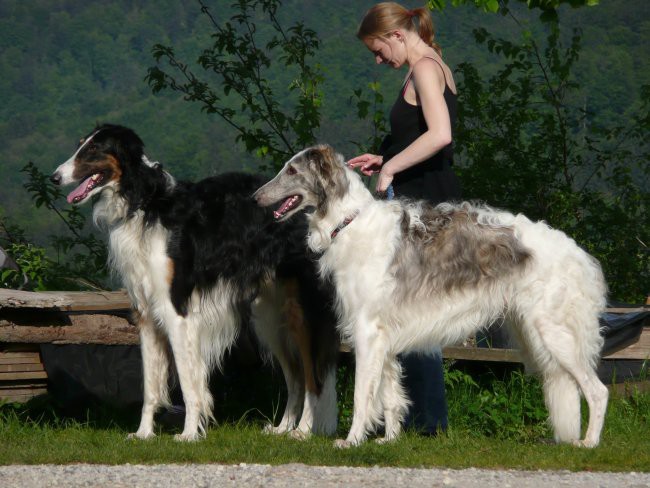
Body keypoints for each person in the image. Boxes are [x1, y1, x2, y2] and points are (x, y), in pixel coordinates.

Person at [347, 2, 461, 435]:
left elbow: (441, 134)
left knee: (417, 315)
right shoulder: (426, 67)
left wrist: (392, 169)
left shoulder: (426, 69)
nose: (379, 60)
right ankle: (416, 419)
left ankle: (428, 422)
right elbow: (421, 137)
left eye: (378, 50)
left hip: (427, 207)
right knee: (412, 313)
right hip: (424, 201)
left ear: (397, 34)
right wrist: (386, 157)